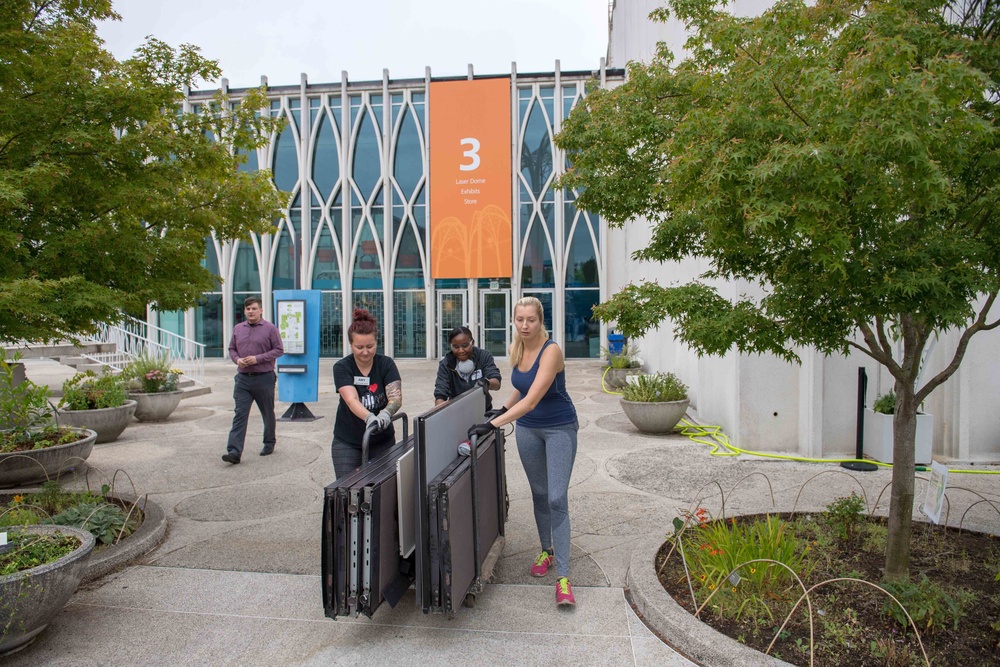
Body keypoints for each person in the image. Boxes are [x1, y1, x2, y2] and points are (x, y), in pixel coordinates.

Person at [468, 296, 578, 606]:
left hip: (559, 428)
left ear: (541, 321)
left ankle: (564, 578)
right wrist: (501, 408)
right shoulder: (518, 347)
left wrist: (494, 424)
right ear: (514, 321)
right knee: (540, 494)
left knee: (557, 498)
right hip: (528, 429)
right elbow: (520, 388)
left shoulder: (552, 351)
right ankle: (547, 550)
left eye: (531, 319)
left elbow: (533, 400)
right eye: (520, 320)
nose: (525, 325)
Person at [331, 308, 403, 479]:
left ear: (376, 342)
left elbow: (395, 396)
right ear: (350, 345)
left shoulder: (385, 364)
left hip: (382, 441)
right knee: (347, 488)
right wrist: (369, 417)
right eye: (359, 347)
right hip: (348, 440)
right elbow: (351, 399)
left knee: (382, 488)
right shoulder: (342, 367)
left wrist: (386, 413)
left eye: (370, 346)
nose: (365, 352)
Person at [223, 296, 284, 464]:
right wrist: (237, 360)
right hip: (243, 379)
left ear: (261, 310)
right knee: (240, 415)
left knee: (267, 413)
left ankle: (269, 442)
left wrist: (258, 359)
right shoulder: (238, 328)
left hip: (264, 378)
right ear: (244, 311)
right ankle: (234, 451)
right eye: (248, 309)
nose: (251, 311)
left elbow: (279, 350)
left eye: (254, 308)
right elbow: (232, 348)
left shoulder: (270, 328)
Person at [433, 325, 502, 413]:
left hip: (483, 410)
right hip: (457, 413)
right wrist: (438, 413)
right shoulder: (446, 364)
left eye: (465, 345)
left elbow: (496, 382)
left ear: (472, 342)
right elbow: (440, 392)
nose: (461, 350)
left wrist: (487, 383)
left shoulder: (484, 356)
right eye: (456, 347)